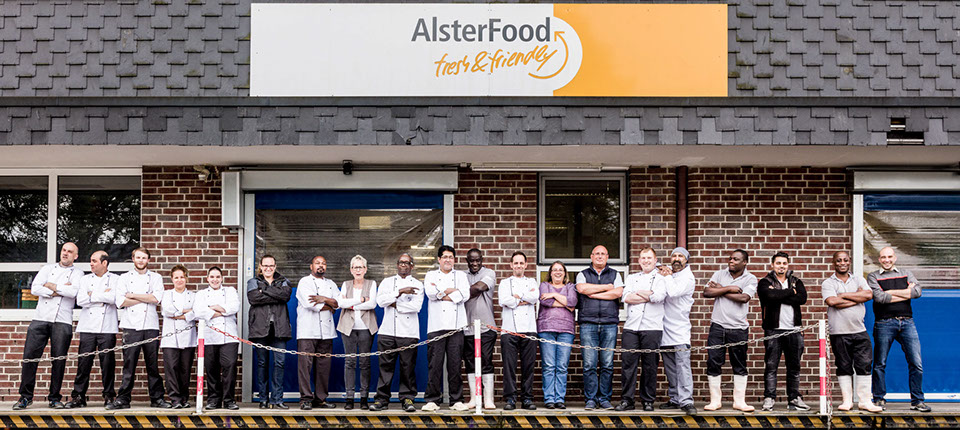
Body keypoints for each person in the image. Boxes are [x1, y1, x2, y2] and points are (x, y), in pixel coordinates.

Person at [14, 242, 82, 410]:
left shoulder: (78, 273)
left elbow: (73, 292)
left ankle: (54, 398)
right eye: (64, 250)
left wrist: (50, 285)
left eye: (70, 252)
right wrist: (58, 291)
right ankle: (25, 397)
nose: (65, 253)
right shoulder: (47, 269)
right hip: (40, 318)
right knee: (30, 357)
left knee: (58, 360)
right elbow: (35, 289)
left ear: (75, 256)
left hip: (62, 320)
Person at [868, 246, 930, 412]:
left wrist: (890, 292)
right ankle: (879, 398)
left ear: (895, 258)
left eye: (889, 257)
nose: (886, 260)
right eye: (883, 257)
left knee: (916, 363)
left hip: (907, 322)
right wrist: (906, 292)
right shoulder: (873, 276)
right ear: (879, 259)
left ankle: (917, 401)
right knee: (880, 363)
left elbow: (917, 292)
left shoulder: (906, 273)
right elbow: (880, 298)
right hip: (884, 323)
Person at [108, 247, 169, 410]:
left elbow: (156, 298)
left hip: (150, 325)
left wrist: (133, 295)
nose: (141, 260)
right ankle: (123, 399)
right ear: (133, 259)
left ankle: (157, 398)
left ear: (148, 260)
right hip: (130, 326)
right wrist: (145, 298)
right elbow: (121, 302)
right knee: (129, 365)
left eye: (144, 258)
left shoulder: (156, 277)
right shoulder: (124, 278)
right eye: (138, 257)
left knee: (153, 365)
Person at [821, 251, 882, 413]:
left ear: (849, 262)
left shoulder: (859, 279)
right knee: (843, 365)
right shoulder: (828, 283)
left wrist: (844, 295)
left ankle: (865, 401)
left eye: (845, 260)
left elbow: (868, 294)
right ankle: (847, 401)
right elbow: (832, 301)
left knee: (864, 365)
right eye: (839, 260)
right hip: (839, 332)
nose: (842, 263)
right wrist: (856, 298)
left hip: (859, 330)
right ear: (833, 263)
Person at [703, 249, 757, 412]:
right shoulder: (719, 274)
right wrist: (729, 288)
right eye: (730, 258)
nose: (731, 261)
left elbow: (744, 298)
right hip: (717, 326)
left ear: (744, 262)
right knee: (713, 362)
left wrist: (721, 289)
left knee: (739, 364)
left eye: (735, 259)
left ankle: (739, 402)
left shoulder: (750, 278)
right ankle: (715, 401)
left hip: (738, 328)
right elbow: (707, 292)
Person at [370, 254, 424, 413]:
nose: (403, 265)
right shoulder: (387, 282)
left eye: (407, 263)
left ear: (412, 266)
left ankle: (408, 399)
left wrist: (394, 304)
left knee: (408, 368)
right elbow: (381, 302)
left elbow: (416, 307)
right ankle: (381, 400)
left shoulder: (418, 284)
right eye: (401, 262)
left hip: (408, 332)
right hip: (387, 331)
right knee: (385, 368)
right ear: (397, 265)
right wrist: (400, 292)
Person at [66, 250, 119, 409]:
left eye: (94, 261)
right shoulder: (85, 279)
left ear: (104, 263)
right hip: (87, 326)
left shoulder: (116, 279)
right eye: (91, 260)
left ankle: (109, 396)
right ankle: (78, 396)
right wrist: (102, 296)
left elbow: (114, 298)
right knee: (83, 363)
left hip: (107, 327)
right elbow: (81, 300)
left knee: (108, 364)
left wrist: (92, 295)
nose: (91, 264)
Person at [757, 252, 809, 411]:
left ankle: (794, 399)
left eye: (784, 263)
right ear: (772, 265)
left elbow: (802, 299)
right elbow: (768, 296)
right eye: (778, 263)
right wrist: (791, 292)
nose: (781, 266)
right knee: (771, 366)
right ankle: (769, 398)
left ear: (788, 265)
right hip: (773, 330)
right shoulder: (765, 282)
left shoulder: (796, 281)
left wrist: (778, 294)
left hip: (794, 330)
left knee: (794, 367)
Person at [617, 247, 667, 412]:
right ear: (639, 261)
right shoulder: (632, 278)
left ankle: (647, 400)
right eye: (643, 258)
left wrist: (638, 294)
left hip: (652, 327)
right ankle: (627, 400)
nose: (646, 261)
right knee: (628, 365)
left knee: (650, 366)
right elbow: (626, 297)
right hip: (631, 327)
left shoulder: (661, 278)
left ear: (655, 260)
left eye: (649, 258)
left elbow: (658, 297)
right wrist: (647, 295)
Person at [422, 245, 470, 412]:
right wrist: (451, 292)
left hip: (456, 327)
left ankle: (456, 400)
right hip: (436, 326)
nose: (448, 260)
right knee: (434, 364)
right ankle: (432, 400)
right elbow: (430, 293)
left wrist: (441, 293)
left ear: (454, 260)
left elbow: (465, 295)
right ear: (439, 259)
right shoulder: (430, 275)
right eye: (445, 257)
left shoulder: (461, 276)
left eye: (451, 257)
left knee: (455, 364)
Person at [575, 245, 624, 410]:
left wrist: (594, 294)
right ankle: (590, 399)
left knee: (607, 364)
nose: (600, 256)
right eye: (597, 253)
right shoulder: (582, 274)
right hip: (588, 324)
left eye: (603, 254)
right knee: (589, 364)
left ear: (607, 256)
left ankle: (604, 399)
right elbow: (582, 288)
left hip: (609, 323)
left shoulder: (615, 274)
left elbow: (617, 293)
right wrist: (606, 287)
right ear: (591, 256)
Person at [247, 254, 293, 409]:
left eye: (271, 265)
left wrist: (264, 291)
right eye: (265, 265)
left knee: (280, 363)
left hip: (280, 329)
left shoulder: (284, 281)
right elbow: (253, 298)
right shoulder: (253, 282)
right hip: (260, 328)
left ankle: (277, 399)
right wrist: (274, 293)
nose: (268, 268)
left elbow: (285, 296)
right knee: (262, 363)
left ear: (275, 266)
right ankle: (263, 399)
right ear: (260, 266)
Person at [656, 247, 697, 415]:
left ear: (686, 260)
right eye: (674, 256)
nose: (677, 259)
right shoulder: (670, 274)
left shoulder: (688, 278)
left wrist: (666, 275)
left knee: (682, 367)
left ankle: (687, 401)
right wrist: (662, 270)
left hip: (680, 330)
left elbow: (673, 292)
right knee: (670, 368)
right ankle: (675, 398)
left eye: (681, 256)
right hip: (665, 328)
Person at [295, 255, 339, 410]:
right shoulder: (304, 282)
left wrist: (323, 299)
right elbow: (310, 304)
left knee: (323, 367)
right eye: (317, 263)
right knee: (305, 367)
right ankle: (305, 399)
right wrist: (329, 304)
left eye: (323, 263)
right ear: (311, 266)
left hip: (326, 332)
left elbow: (338, 303)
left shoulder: (331, 283)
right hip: (307, 330)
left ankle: (321, 399)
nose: (321, 266)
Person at [195, 266, 241, 410]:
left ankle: (229, 400)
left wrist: (212, 307)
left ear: (222, 278)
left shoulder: (230, 291)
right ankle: (213, 400)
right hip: (209, 336)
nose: (215, 280)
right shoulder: (201, 294)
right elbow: (198, 312)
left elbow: (234, 307)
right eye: (212, 277)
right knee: (211, 369)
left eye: (217, 277)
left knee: (230, 367)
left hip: (229, 336)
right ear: (207, 279)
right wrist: (222, 311)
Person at [498, 251, 539, 411]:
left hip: (529, 329)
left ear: (526, 265)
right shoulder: (504, 283)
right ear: (511, 265)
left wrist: (516, 297)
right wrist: (524, 300)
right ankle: (510, 398)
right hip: (509, 330)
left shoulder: (532, 281)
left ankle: (527, 398)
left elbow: (534, 297)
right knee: (509, 367)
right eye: (516, 263)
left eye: (521, 263)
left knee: (528, 366)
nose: (519, 266)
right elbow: (503, 300)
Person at [337, 255, 379, 410]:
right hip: (347, 327)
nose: (358, 270)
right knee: (349, 362)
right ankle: (349, 398)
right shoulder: (346, 284)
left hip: (366, 328)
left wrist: (351, 305)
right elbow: (341, 303)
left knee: (365, 363)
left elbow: (372, 304)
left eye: (360, 267)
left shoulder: (372, 283)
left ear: (365, 269)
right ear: (351, 270)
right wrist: (361, 300)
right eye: (355, 267)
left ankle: (363, 398)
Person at [537, 261, 577, 410]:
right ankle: (549, 399)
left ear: (565, 273)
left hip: (566, 330)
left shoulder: (570, 287)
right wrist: (566, 304)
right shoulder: (544, 285)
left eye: (561, 270)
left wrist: (554, 294)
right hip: (546, 329)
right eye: (555, 270)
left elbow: (573, 301)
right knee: (549, 366)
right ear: (550, 273)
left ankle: (559, 399)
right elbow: (545, 302)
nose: (558, 272)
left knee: (561, 366)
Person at [462, 248, 497, 410]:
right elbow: (473, 289)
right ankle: (474, 398)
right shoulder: (462, 276)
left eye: (478, 260)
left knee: (486, 361)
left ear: (482, 260)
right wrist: (463, 292)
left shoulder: (489, 273)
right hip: (467, 327)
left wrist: (460, 293)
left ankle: (488, 399)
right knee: (470, 363)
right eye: (472, 260)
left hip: (486, 326)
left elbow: (479, 288)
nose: (475, 263)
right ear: (467, 261)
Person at [159, 265, 197, 409]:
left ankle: (184, 398)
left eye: (182, 277)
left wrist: (179, 314)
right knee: (171, 369)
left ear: (186, 278)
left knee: (185, 369)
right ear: (172, 279)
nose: (179, 280)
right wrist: (186, 312)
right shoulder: (166, 294)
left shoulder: (193, 296)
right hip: (170, 339)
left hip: (188, 337)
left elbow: (196, 313)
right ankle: (175, 399)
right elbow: (166, 311)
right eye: (176, 277)